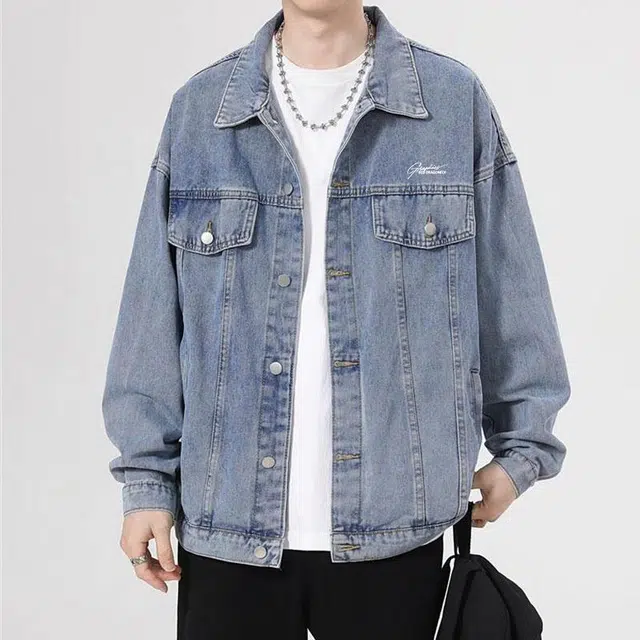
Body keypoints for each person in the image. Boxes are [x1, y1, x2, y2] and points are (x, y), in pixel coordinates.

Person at [102, 2, 571, 638]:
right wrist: (146, 482)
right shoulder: (201, 111)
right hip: (227, 527)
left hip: (397, 532)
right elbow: (151, 314)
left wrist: (521, 453)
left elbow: (512, 292)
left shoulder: (450, 102)